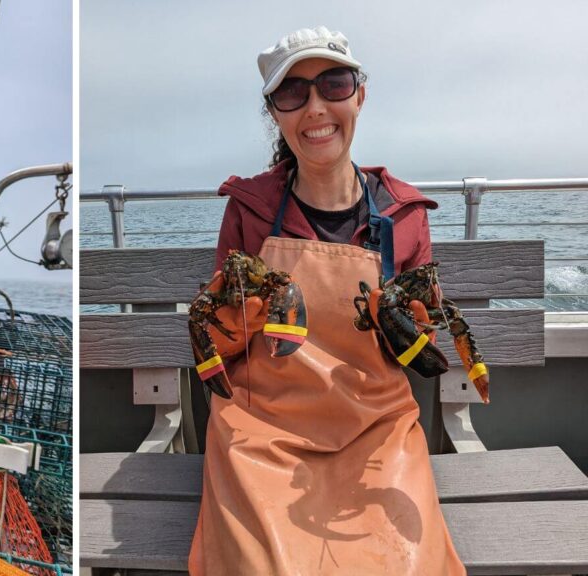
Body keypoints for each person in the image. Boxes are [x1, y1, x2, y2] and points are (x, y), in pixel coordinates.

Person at [188, 27, 466, 574]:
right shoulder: (248, 208)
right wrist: (241, 313)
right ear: (275, 113)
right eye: (292, 93)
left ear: (359, 95)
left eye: (333, 84)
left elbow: (423, 355)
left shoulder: (405, 214)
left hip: (376, 426)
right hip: (261, 428)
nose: (315, 107)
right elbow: (217, 348)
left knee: (405, 563)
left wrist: (404, 324)